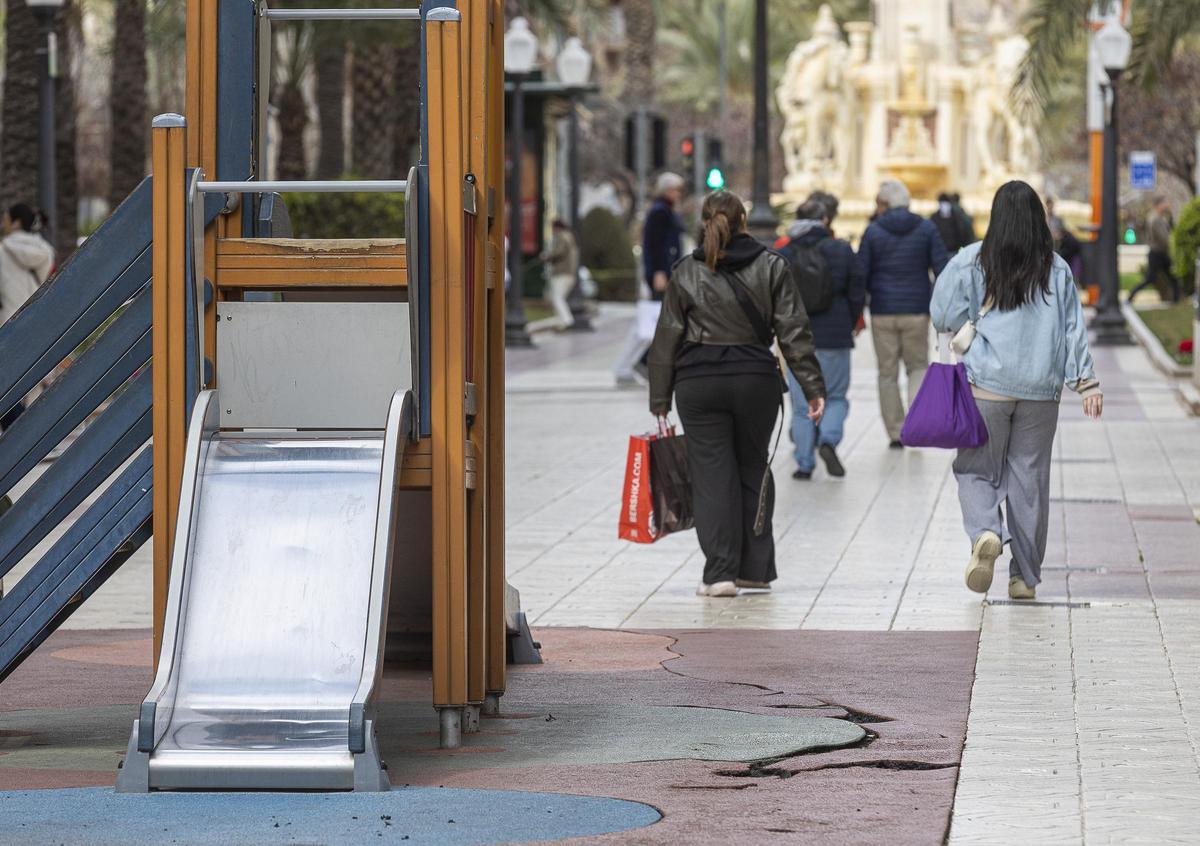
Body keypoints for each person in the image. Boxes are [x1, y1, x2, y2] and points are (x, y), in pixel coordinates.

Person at [648, 190, 825, 597]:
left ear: (704, 222)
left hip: (698, 384)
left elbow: (666, 338)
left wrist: (659, 400)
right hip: (755, 381)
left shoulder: (685, 272)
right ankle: (755, 570)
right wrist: (812, 388)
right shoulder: (773, 266)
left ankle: (720, 574)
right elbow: (794, 332)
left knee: (712, 476)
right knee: (753, 467)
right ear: (743, 221)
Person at [931, 180, 1103, 601]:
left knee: (975, 468)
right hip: (1041, 391)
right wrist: (1086, 382)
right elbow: (1072, 328)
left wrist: (970, 329)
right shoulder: (1056, 268)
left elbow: (942, 313)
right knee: (1030, 479)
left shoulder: (971, 261)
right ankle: (1024, 577)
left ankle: (986, 531)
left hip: (986, 386)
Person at [858, 179, 949, 447]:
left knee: (887, 373)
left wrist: (858, 306)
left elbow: (861, 272)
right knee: (917, 367)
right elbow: (942, 268)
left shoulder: (873, 231)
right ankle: (916, 425)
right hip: (916, 310)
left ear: (886, 204)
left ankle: (896, 432)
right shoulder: (926, 228)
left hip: (882, 311)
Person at [778, 198, 865, 479]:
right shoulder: (840, 250)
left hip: (797, 337)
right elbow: (857, 290)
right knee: (836, 396)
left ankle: (804, 464)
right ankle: (828, 439)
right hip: (835, 334)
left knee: (802, 404)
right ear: (825, 220)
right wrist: (850, 321)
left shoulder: (785, 253)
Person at [614, 173, 686, 386]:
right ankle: (639, 361)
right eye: (675, 189)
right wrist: (659, 272)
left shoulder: (666, 210)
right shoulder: (659, 211)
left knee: (660, 320)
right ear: (666, 190)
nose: (678, 194)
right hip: (661, 274)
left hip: (665, 273)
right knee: (658, 321)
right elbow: (655, 245)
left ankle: (640, 362)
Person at [1128, 195, 1180, 304]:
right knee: (1151, 278)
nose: (1167, 205)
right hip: (1157, 253)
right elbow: (1162, 237)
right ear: (1158, 205)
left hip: (1161, 252)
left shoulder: (1160, 218)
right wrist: (1172, 243)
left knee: (1172, 277)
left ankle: (1176, 300)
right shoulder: (1154, 219)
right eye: (1164, 203)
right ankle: (1130, 297)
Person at [538, 219, 577, 331]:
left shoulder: (563, 237)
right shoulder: (569, 237)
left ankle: (567, 321)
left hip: (562, 273)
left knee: (557, 298)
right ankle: (562, 322)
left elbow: (558, 252)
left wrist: (545, 257)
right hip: (567, 273)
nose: (552, 231)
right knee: (557, 298)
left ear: (557, 227)